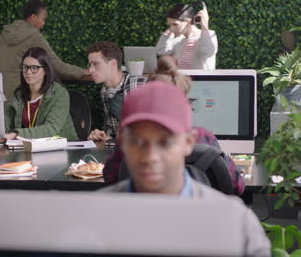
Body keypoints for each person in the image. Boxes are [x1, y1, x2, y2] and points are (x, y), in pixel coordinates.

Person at [99, 82, 270, 256]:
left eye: (165, 142)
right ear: (123, 142)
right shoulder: (91, 216)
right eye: (136, 141)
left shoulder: (238, 224)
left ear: (189, 142)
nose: (150, 157)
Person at [103, 55, 245, 195]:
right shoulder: (204, 136)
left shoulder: (131, 134)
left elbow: (110, 177)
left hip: (139, 213)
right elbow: (235, 185)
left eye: (166, 142)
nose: (151, 157)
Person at [0, 0, 89, 99]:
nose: (43, 23)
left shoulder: (5, 34)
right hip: (22, 94)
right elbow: (56, 66)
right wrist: (81, 71)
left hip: (0, 92)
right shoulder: (33, 36)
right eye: (43, 19)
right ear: (33, 17)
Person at [0, 47, 77, 143]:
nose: (28, 72)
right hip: (27, 147)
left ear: (45, 70)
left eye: (34, 68)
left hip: (61, 148)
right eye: (25, 67)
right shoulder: (19, 94)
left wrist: (16, 134)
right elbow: (6, 123)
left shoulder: (59, 93)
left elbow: (50, 128)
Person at [86, 41, 146, 141]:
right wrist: (103, 136)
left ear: (113, 64)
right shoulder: (105, 91)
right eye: (90, 65)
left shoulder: (137, 85)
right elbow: (113, 131)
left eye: (96, 64)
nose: (90, 70)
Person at [156, 2, 218, 69]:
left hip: (202, 79)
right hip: (182, 79)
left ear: (188, 22)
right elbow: (161, 51)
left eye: (175, 24)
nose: (171, 28)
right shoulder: (178, 40)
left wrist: (204, 27)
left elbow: (205, 51)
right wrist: (166, 35)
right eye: (170, 25)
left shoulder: (208, 35)